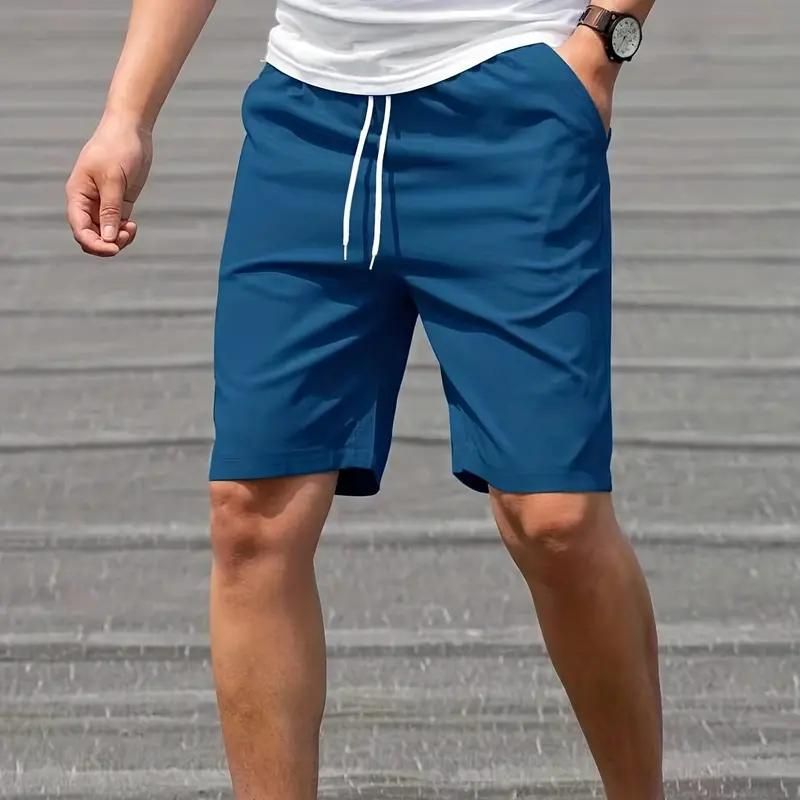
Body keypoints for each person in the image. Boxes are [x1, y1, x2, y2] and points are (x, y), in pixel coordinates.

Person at [66, 0, 662, 797]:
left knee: (556, 517)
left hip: (512, 103)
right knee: (252, 513)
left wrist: (603, 42)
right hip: (309, 117)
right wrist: (126, 115)